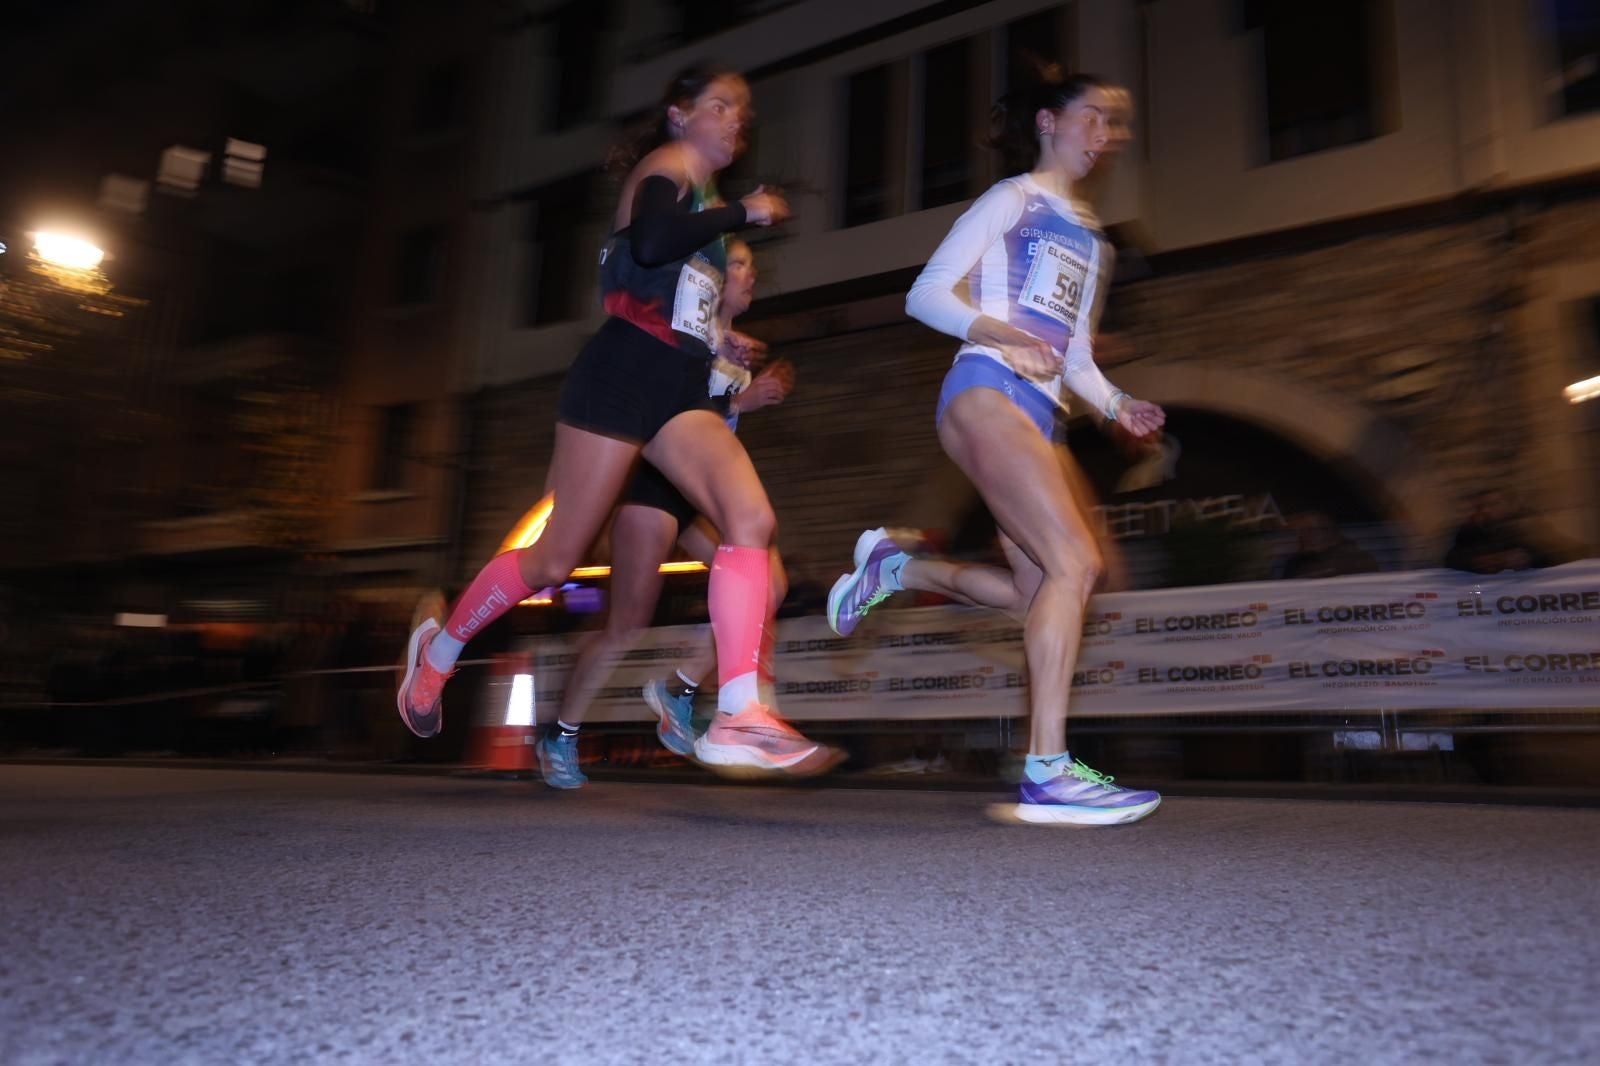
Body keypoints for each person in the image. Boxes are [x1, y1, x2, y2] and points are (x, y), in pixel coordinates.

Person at [397, 68, 832, 780]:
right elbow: (655, 241)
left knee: (750, 520)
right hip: (621, 376)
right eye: (718, 106)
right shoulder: (671, 168)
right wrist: (743, 215)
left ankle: (739, 714)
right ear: (678, 115)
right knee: (554, 561)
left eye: (741, 112)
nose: (734, 121)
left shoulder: (708, 199)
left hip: (679, 391)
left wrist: (715, 337)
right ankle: (440, 651)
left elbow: (675, 290)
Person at [826, 69, 1164, 826]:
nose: (1104, 135)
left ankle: (894, 565)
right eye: (1092, 118)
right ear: (1048, 121)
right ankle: (1047, 771)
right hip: (983, 392)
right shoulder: (1012, 200)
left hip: (1040, 415)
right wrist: (1007, 336)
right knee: (1078, 564)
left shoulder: (1092, 241)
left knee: (1035, 592)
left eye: (1112, 126)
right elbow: (926, 294)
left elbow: (1073, 355)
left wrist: (1117, 402)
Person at [541, 239, 808, 788]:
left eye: (753, 266)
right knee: (625, 625)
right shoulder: (690, 330)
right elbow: (667, 403)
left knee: (768, 586)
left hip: (696, 489)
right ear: (711, 276)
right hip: (654, 480)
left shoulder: (740, 349)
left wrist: (744, 391)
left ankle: (679, 691)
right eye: (737, 264)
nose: (749, 273)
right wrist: (740, 401)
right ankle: (560, 733)